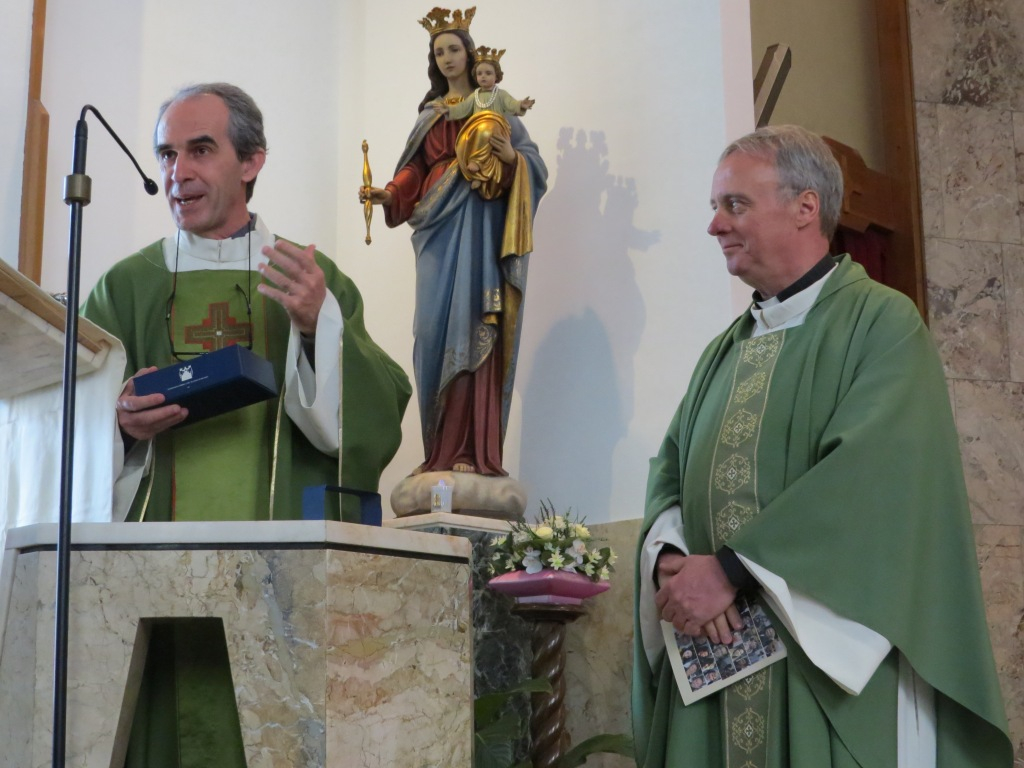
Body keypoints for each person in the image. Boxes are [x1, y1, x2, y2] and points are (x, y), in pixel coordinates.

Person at [631, 125, 1012, 767]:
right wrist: (672, 563)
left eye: (735, 204)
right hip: (712, 658)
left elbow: (877, 478)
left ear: (805, 207)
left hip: (820, 668)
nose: (715, 225)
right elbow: (669, 470)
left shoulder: (881, 324)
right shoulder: (721, 352)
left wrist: (729, 571)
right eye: (715, 206)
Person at [80, 82, 411, 768]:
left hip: (282, 587)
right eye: (167, 153)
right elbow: (68, 433)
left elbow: (375, 415)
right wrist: (119, 427)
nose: (178, 172)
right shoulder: (124, 287)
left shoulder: (308, 276)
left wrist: (318, 326)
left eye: (201, 150)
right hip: (151, 584)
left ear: (252, 161)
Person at [359, 7, 547, 476]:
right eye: (438, 52)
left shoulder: (494, 107)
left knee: (473, 320)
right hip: (436, 227)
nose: (446, 58)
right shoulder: (431, 114)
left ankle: (471, 452)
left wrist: (512, 159)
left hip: (480, 224)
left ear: (469, 53)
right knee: (431, 332)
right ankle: (437, 450)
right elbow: (415, 169)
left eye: (453, 49)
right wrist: (390, 194)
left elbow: (533, 165)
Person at [433, 46, 535, 122]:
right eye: (479, 73)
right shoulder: (475, 96)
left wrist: (521, 105)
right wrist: (448, 109)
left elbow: (511, 104)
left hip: (497, 128)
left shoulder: (501, 94)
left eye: (488, 73)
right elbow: (463, 108)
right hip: (477, 128)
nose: (483, 76)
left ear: (496, 76)